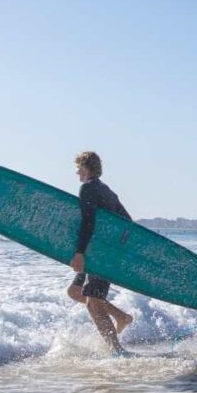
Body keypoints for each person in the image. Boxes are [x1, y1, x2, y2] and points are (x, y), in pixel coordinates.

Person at [68, 151, 134, 354]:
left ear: (86, 167)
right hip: (97, 251)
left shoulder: (88, 188)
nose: (77, 172)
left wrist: (79, 252)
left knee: (93, 303)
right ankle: (121, 317)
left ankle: (117, 351)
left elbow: (88, 221)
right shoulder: (106, 190)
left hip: (101, 253)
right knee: (75, 292)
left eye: (79, 167)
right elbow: (128, 221)